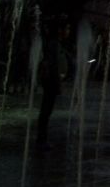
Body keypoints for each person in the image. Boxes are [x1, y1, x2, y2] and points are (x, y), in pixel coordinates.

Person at [37, 20, 70, 150]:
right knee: (46, 111)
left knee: (46, 110)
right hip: (51, 82)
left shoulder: (55, 44)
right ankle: (41, 140)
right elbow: (54, 65)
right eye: (67, 28)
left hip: (51, 81)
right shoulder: (54, 44)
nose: (68, 31)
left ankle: (42, 139)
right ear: (59, 30)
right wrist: (57, 83)